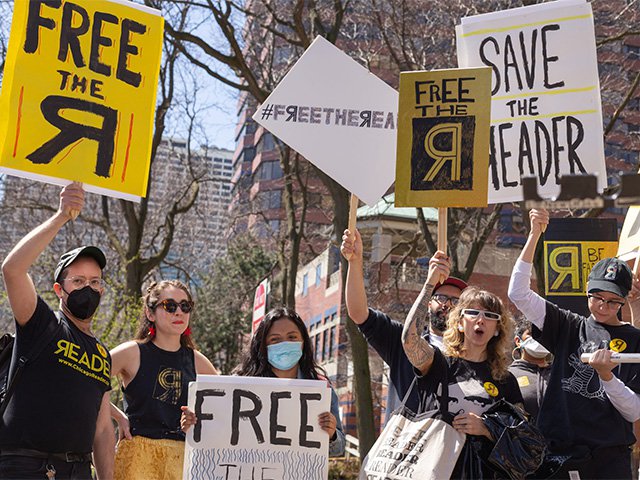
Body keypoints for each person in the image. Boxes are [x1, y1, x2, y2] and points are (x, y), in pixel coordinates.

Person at [508, 208, 640, 479]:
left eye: (613, 300)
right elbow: (518, 293)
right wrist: (534, 236)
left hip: (609, 458)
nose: (603, 306)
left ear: (624, 299)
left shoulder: (635, 340)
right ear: (586, 290)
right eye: (596, 296)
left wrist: (607, 378)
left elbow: (634, 410)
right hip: (559, 453)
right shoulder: (568, 325)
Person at [0, 183, 115, 479]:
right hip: (24, 467)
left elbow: (102, 430)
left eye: (94, 282)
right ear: (59, 290)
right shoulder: (40, 323)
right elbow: (13, 269)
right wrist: (62, 216)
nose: (87, 289)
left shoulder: (103, 355)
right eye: (77, 281)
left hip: (76, 470)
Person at [182, 307, 346, 457]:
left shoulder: (321, 388)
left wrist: (331, 435)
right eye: (275, 339)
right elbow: (215, 432)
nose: (284, 344)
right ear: (263, 345)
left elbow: (339, 449)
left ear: (303, 342)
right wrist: (192, 424)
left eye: (292, 337)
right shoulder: (238, 386)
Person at [341, 228, 467, 417]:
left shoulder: (474, 353)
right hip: (407, 442)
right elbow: (358, 313)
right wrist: (355, 261)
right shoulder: (400, 342)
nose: (447, 305)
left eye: (456, 301)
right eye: (440, 297)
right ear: (429, 301)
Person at [109, 280, 219, 480]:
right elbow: (86, 381)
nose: (179, 312)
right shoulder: (132, 352)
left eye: (185, 306)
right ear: (150, 314)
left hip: (182, 463)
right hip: (136, 462)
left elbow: (223, 408)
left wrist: (196, 420)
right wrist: (117, 415)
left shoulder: (197, 361)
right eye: (170, 306)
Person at [508, 315, 552, 420]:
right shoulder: (507, 376)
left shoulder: (561, 373)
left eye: (544, 334)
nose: (539, 339)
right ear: (518, 341)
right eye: (532, 334)